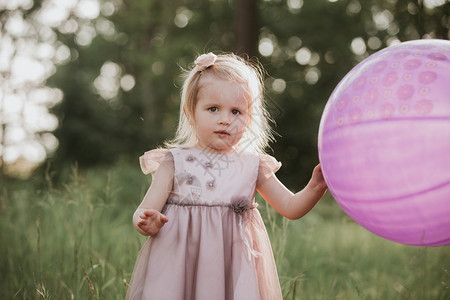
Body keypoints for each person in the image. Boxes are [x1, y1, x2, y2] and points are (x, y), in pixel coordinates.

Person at [126, 52, 327, 300]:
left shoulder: (252, 166)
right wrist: (146, 221)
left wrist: (315, 187)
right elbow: (143, 211)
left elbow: (290, 207)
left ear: (249, 118)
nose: (225, 120)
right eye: (213, 109)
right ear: (191, 112)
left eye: (236, 112)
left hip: (232, 272)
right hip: (179, 269)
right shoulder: (174, 163)